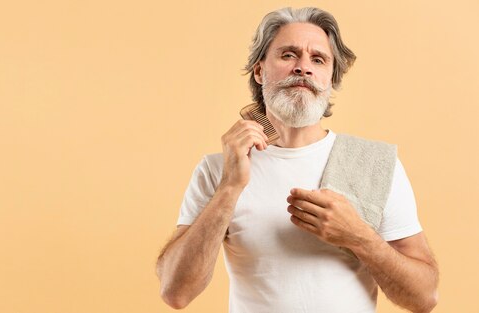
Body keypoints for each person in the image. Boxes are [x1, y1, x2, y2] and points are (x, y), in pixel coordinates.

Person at [155, 7, 439, 313]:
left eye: (318, 59)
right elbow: (175, 292)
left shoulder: (375, 164)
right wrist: (229, 187)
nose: (303, 68)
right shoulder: (217, 169)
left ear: (331, 78)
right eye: (288, 55)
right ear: (260, 71)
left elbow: (423, 297)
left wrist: (359, 237)